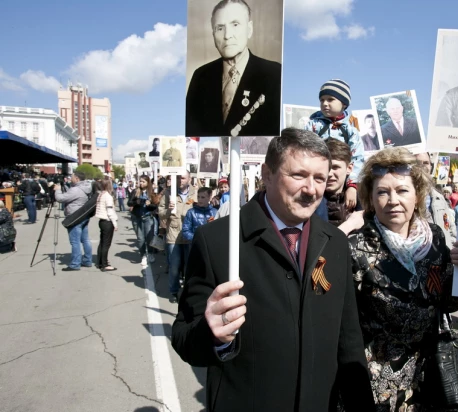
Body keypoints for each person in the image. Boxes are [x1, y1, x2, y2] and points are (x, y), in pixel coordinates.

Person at [172, 128, 374, 411]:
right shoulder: (217, 241)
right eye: (299, 175)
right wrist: (212, 333)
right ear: (267, 174)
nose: (311, 189)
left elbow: (349, 339)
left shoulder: (336, 242)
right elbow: (184, 337)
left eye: (319, 178)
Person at [348, 147, 458, 410]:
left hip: (430, 377)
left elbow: (450, 302)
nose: (393, 200)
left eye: (402, 190)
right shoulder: (355, 249)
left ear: (417, 195)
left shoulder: (434, 238)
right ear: (370, 199)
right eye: (382, 192)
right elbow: (343, 328)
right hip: (376, 386)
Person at [185, 0, 281, 137]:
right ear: (213, 35)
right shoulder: (201, 76)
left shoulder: (275, 74)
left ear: (249, 29)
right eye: (220, 28)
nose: (227, 35)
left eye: (235, 24)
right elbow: (192, 131)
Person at [305, 79, 364, 210]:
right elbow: (305, 151)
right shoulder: (313, 125)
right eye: (322, 100)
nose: (325, 103)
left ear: (343, 103)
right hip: (317, 179)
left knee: (359, 206)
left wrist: (352, 186)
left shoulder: (351, 130)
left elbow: (358, 158)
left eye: (330, 99)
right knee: (319, 210)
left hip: (343, 181)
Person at [158, 171, 197, 303]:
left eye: (183, 178)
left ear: (189, 179)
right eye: (178, 178)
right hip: (173, 235)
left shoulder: (195, 192)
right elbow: (161, 213)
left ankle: (188, 292)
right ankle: (174, 291)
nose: (181, 180)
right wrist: (169, 210)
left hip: (189, 235)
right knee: (174, 266)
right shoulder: (169, 193)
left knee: (189, 266)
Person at [316, 138, 364, 234]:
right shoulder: (311, 202)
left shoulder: (363, 198)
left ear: (349, 168)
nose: (329, 173)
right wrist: (350, 225)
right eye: (325, 167)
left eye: (335, 167)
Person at [413, 152, 458, 248]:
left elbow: (449, 227)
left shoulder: (439, 197)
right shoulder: (403, 196)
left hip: (441, 255)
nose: (422, 166)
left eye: (426, 163)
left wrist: (450, 246)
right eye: (417, 162)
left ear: (431, 166)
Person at [54, 172, 94, 271]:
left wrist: (58, 190)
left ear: (76, 178)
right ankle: (87, 260)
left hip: (74, 216)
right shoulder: (85, 187)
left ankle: (75, 264)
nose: (70, 179)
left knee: (75, 241)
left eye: (71, 177)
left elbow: (61, 198)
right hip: (83, 215)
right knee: (85, 240)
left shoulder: (76, 189)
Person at [127, 175, 158, 267]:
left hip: (148, 218)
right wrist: (136, 202)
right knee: (140, 239)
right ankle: (143, 255)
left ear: (148, 183)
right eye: (140, 181)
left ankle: (151, 254)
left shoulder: (151, 193)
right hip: (138, 218)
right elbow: (129, 202)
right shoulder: (135, 191)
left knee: (149, 238)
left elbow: (155, 206)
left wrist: (149, 205)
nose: (141, 183)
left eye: (143, 181)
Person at [94, 178, 118, 271]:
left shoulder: (101, 194)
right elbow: (110, 211)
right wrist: (115, 223)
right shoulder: (108, 196)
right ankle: (104, 264)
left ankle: (100, 262)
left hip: (101, 220)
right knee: (106, 244)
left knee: (102, 242)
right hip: (107, 221)